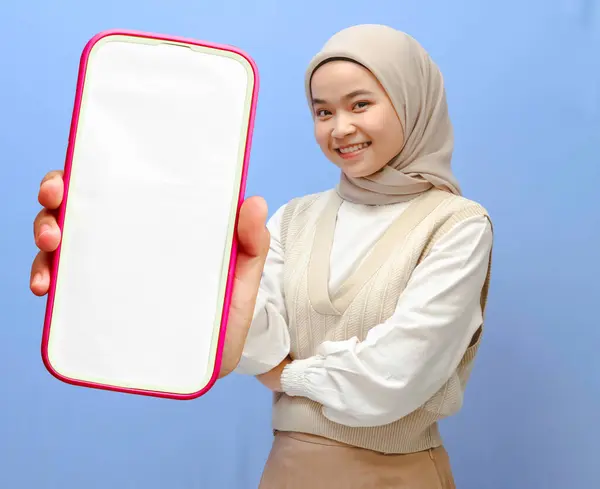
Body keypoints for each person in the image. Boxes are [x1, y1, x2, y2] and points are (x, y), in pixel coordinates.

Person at [31, 24, 493, 489]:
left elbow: (396, 377)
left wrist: (290, 374)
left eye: (360, 104)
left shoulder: (456, 225)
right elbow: (254, 344)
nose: (340, 128)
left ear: (413, 100)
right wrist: (158, 242)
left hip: (399, 475)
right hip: (289, 469)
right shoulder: (296, 218)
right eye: (322, 111)